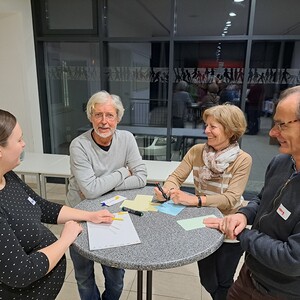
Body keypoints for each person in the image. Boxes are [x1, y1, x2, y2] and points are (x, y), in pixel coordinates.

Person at [0, 109, 114, 299]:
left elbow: (42, 207)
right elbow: (20, 273)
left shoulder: (8, 177)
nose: (24, 144)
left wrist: (89, 215)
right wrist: (64, 240)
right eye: (19, 140)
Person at [204, 85, 300, 299]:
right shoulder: (281, 162)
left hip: (281, 293)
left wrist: (242, 234)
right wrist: (243, 214)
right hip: (249, 276)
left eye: (282, 125)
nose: (273, 133)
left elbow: (292, 259)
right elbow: (262, 198)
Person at [154, 104, 252, 300]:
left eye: (213, 126)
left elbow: (231, 198)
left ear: (230, 130)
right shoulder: (197, 151)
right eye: (206, 125)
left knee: (223, 281)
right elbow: (176, 177)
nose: (206, 130)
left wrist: (194, 199)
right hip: (204, 224)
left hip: (230, 226)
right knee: (207, 280)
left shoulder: (243, 159)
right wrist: (168, 189)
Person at [66, 90, 147, 300]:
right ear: (90, 117)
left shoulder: (127, 139)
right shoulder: (79, 145)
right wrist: (122, 172)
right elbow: (90, 191)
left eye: (109, 115)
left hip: (113, 216)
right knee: (84, 278)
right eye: (98, 115)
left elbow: (141, 178)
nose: (104, 121)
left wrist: (103, 185)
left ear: (118, 118)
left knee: (116, 278)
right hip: (79, 216)